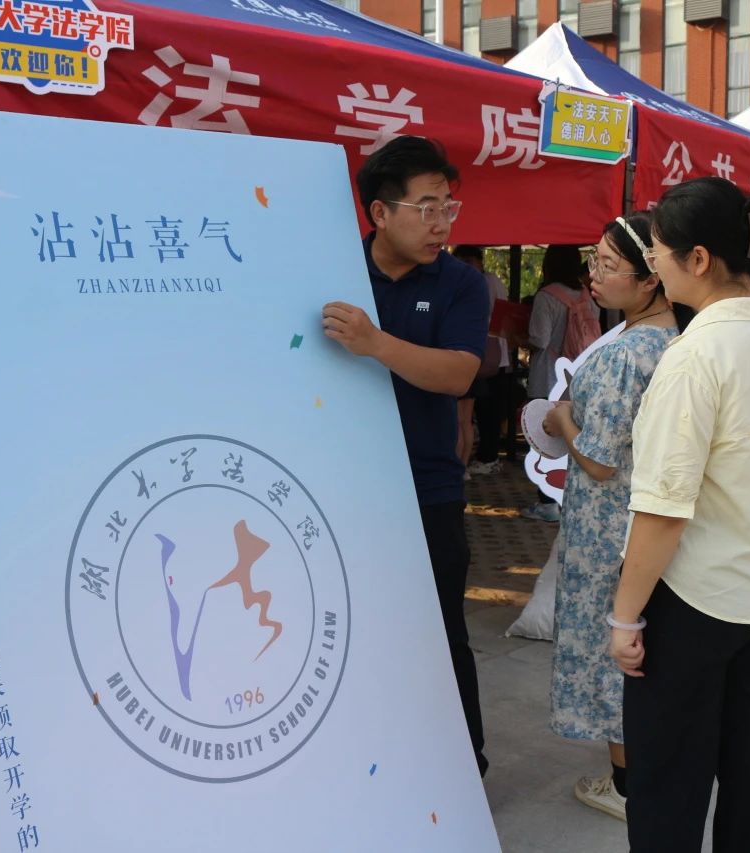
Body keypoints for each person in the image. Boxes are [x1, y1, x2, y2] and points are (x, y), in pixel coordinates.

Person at [610, 177, 750, 853]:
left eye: (658, 253)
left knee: (668, 781)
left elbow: (663, 511)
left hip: (695, 601)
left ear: (698, 259)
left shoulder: (696, 357)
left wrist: (624, 616)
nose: (655, 266)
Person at [322, 135, 490, 776]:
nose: (442, 223)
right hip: (339, 487)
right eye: (427, 208)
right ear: (380, 213)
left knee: (440, 633)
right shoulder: (331, 266)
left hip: (427, 489)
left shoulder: (460, 284)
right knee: (345, 627)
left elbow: (459, 373)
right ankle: (366, 763)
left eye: (448, 207)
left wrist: (376, 343)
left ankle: (464, 769)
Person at [540, 213, 686, 823]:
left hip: (606, 530)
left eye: (607, 264)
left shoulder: (624, 353)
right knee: (644, 653)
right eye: (593, 261)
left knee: (613, 658)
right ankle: (649, 776)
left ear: (650, 279)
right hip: (650, 525)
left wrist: (560, 420)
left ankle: (627, 786)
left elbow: (599, 461)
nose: (593, 275)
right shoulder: (676, 342)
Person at [523, 245, 598, 523]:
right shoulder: (586, 295)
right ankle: (568, 498)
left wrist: (519, 337)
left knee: (543, 439)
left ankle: (546, 501)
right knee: (571, 439)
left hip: (547, 376)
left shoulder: (547, 296)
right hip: (575, 378)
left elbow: (539, 339)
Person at [451, 245, 510, 476]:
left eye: (467, 261)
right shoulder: (488, 281)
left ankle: (466, 464)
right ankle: (464, 467)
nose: (463, 266)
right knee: (466, 419)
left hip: (468, 356)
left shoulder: (477, 283)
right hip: (482, 357)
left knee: (462, 420)